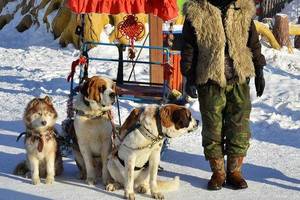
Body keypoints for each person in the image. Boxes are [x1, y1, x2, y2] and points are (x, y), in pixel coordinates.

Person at [180, 0, 266, 190]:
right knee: (213, 128)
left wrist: (259, 69)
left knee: (239, 126)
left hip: (238, 78)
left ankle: (234, 171)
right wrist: (189, 76)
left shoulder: (242, 8)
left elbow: (253, 41)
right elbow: (188, 46)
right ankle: (218, 172)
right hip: (210, 78)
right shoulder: (197, 10)